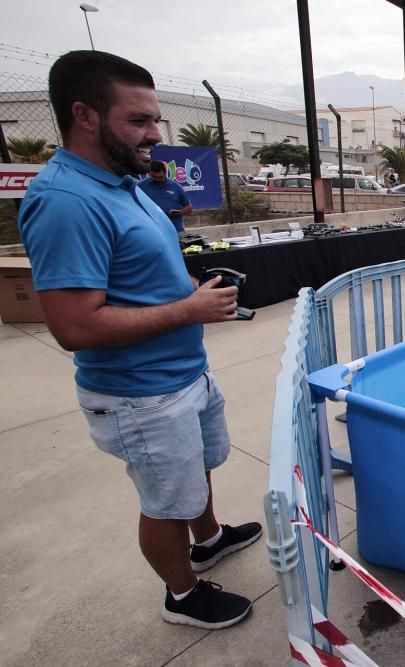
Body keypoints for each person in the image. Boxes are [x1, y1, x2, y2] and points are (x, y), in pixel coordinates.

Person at [17, 51, 260, 631]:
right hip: (142, 396)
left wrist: (188, 295)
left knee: (194, 470)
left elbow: (135, 276)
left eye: (155, 119)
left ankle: (209, 539)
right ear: (85, 115)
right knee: (164, 500)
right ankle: (182, 594)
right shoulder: (66, 202)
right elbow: (75, 327)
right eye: (139, 120)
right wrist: (190, 308)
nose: (155, 134)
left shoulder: (120, 182)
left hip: (179, 374)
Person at [139, 159, 192, 233]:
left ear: (165, 173)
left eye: (160, 177)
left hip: (176, 230)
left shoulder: (176, 186)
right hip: (152, 231)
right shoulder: (141, 187)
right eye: (154, 177)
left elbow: (189, 208)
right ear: (149, 173)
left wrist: (179, 212)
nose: (157, 180)